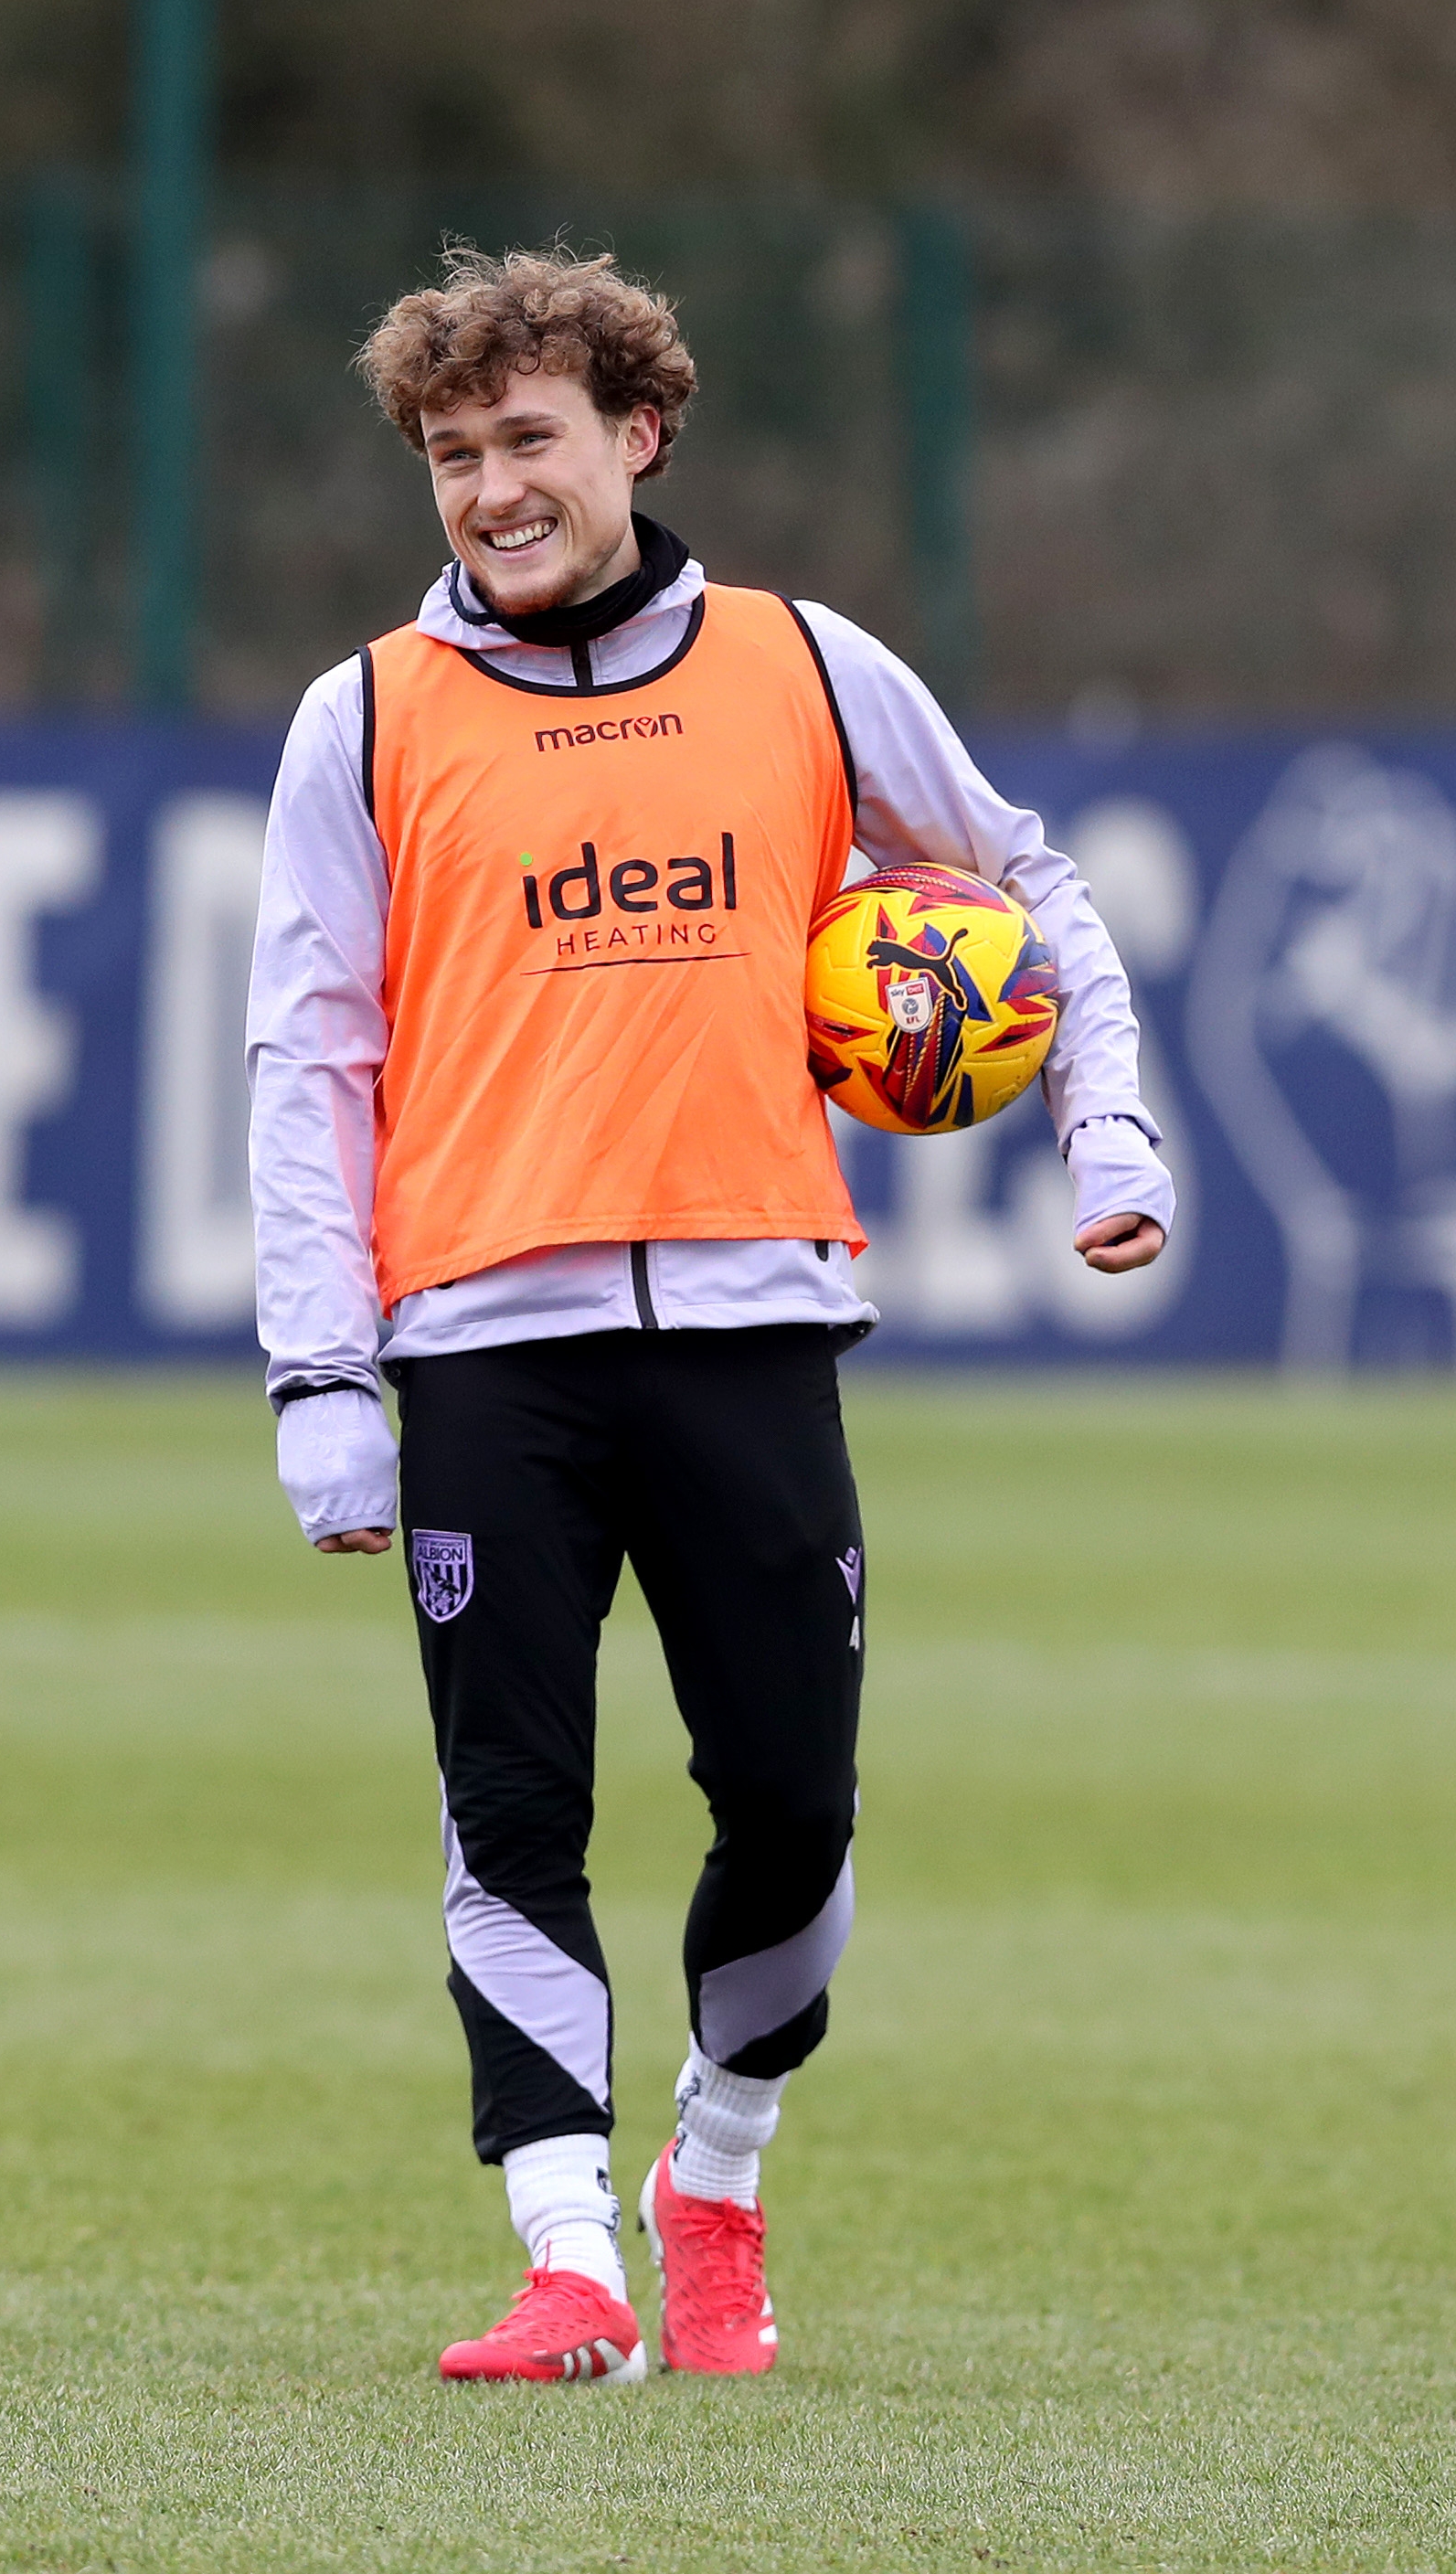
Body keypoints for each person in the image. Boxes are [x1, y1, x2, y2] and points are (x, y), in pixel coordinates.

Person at [246, 245, 1173, 2385]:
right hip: (479, 1347)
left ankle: (715, 2174)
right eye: (453, 455)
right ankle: (565, 2254)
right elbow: (306, 1061)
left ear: (637, 432)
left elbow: (1031, 885)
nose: (490, 489)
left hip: (756, 1323)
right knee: (511, 1811)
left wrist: (1101, 1136)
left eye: (529, 441)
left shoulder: (801, 665)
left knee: (795, 1805)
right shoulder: (362, 714)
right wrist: (320, 1378)